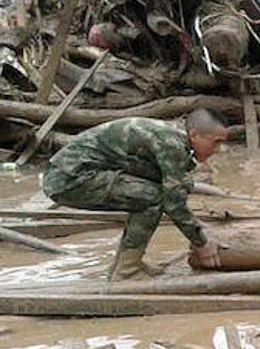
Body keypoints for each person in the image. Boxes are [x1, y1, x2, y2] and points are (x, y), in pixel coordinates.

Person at [42, 110, 229, 279]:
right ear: (194, 134)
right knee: (152, 199)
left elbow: (171, 182)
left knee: (150, 194)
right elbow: (173, 203)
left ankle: (125, 265)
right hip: (70, 180)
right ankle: (127, 270)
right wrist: (201, 243)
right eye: (216, 142)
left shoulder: (173, 136)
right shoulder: (171, 143)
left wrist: (197, 221)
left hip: (72, 175)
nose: (219, 149)